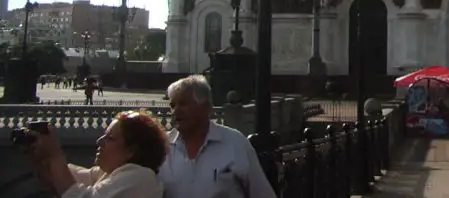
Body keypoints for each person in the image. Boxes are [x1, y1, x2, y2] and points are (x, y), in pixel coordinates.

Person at [159, 74, 276, 198]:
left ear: (206, 107)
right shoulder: (161, 147)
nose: (176, 111)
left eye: (183, 104)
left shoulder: (235, 143)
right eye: (173, 106)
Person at [25, 110, 169, 197]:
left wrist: (55, 154)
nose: (99, 141)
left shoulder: (140, 177)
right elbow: (64, 181)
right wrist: (40, 157)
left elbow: (78, 196)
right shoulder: (109, 173)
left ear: (131, 151)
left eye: (109, 138)